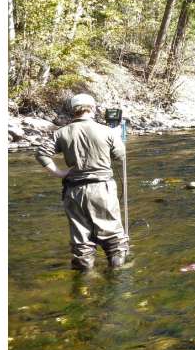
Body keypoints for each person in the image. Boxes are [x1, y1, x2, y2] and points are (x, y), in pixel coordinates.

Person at [35, 93, 129, 270]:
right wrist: (119, 139)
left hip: (74, 191)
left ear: (72, 111)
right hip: (103, 189)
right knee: (114, 240)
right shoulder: (107, 131)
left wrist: (60, 173)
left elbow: (41, 154)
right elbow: (120, 156)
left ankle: (85, 284)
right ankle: (118, 281)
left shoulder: (61, 133)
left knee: (82, 243)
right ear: (92, 109)